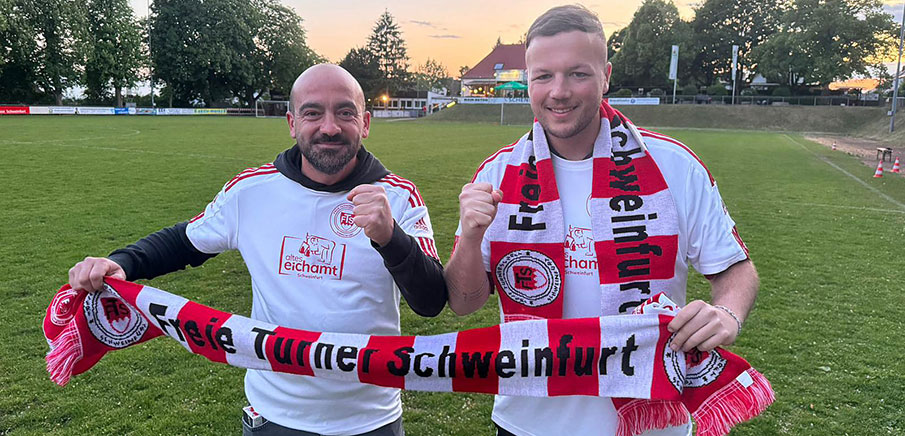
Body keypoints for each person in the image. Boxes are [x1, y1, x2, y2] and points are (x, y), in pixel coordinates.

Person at [67, 64, 447, 436]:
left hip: (370, 421)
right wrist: (122, 263)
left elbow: (431, 301)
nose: (329, 127)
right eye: (313, 113)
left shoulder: (398, 197)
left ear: (365, 123)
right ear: (292, 123)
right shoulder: (251, 190)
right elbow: (185, 241)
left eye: (345, 112)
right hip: (273, 417)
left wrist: (390, 237)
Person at [444, 5, 758, 436]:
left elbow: (735, 269)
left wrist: (727, 313)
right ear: (529, 80)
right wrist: (469, 238)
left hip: (650, 423)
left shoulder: (675, 167)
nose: (559, 92)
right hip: (527, 422)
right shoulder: (497, 175)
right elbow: (463, 302)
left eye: (578, 74)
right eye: (543, 76)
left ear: (606, 76)